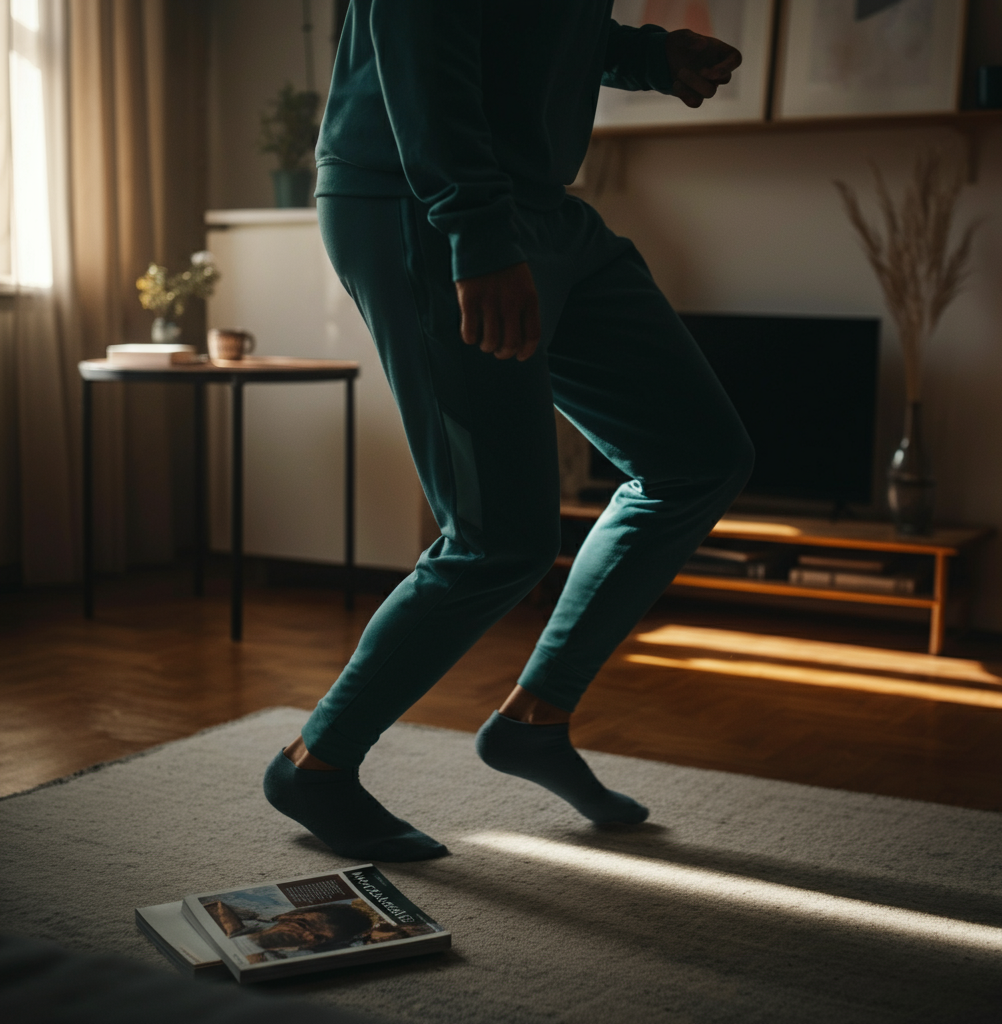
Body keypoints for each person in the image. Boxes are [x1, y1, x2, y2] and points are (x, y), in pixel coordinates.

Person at [264, 0, 754, 862]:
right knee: (499, 537)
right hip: (421, 202)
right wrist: (477, 235)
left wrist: (647, 57)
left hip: (539, 202)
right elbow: (421, 38)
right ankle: (318, 764)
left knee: (697, 458)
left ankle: (535, 720)